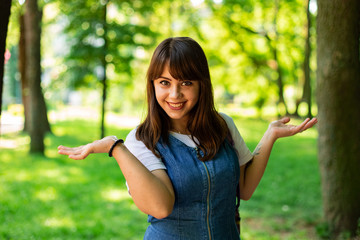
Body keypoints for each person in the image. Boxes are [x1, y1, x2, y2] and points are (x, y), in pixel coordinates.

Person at [58, 37, 317, 239]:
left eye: (185, 83)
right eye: (164, 82)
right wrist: (115, 147)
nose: (174, 94)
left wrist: (270, 135)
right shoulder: (142, 139)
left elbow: (244, 189)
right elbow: (160, 207)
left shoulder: (222, 125)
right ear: (153, 85)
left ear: (201, 84)